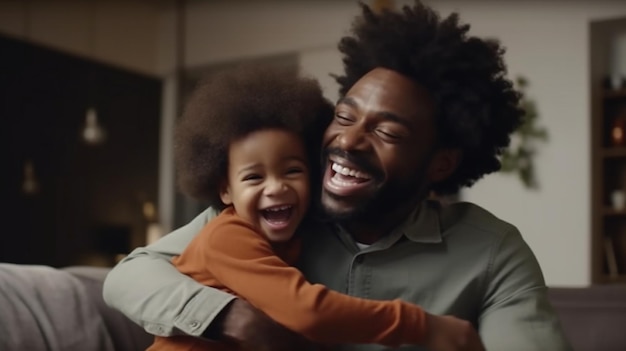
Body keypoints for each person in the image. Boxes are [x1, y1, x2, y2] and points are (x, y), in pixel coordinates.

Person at [103, 1, 572, 350]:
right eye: (344, 117)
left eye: (386, 131)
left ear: (441, 163)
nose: (348, 142)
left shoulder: (492, 253)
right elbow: (128, 277)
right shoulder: (272, 211)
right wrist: (229, 316)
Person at [147, 64, 476, 351]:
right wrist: (422, 325)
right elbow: (308, 311)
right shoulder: (226, 237)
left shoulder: (295, 238)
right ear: (225, 191)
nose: (276, 187)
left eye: (292, 170)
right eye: (254, 177)